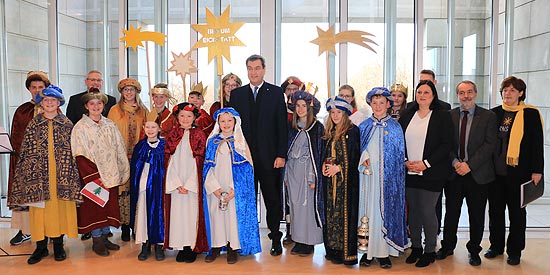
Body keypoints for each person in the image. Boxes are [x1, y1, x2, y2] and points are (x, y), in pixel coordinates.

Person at [8, 85, 81, 265]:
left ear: (58, 103)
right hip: (38, 177)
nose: (49, 103)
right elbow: (26, 150)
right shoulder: (34, 124)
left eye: (53, 101)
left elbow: (73, 151)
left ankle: (58, 245)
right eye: (46, 100)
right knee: (39, 212)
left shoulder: (66, 124)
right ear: (41, 104)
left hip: (60, 177)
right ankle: (40, 246)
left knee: (59, 211)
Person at [229, 54, 288, 256]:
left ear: (264, 70)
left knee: (272, 200)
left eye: (257, 68)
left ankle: (275, 237)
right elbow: (233, 128)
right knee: (247, 200)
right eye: (250, 68)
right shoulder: (237, 95)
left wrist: (281, 154)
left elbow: (282, 126)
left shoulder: (276, 93)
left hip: (271, 159)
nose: (253, 72)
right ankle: (246, 239)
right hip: (244, 159)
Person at [435, 80, 497, 266]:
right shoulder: (449, 115)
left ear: (475, 93)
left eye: (469, 92)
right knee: (451, 213)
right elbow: (446, 143)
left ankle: (474, 250)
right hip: (454, 174)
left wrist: (469, 165)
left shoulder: (488, 116)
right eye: (462, 93)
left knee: (476, 215)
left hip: (478, 174)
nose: (466, 96)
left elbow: (489, 145)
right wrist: (455, 162)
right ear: (458, 95)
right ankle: (447, 247)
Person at [485, 76, 544, 266]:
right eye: (505, 90)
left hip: (520, 174)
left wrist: (537, 170)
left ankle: (515, 251)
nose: (507, 94)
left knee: (517, 214)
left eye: (512, 90)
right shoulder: (494, 113)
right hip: (495, 173)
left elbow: (537, 145)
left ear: (521, 93)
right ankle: (496, 246)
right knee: (495, 212)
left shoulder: (531, 114)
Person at [398, 80, 453, 268]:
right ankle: (416, 247)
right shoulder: (407, 114)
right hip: (409, 171)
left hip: (432, 172)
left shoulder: (442, 116)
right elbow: (399, 141)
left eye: (426, 92)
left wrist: (425, 164)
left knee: (427, 211)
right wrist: (406, 161)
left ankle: (429, 250)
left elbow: (446, 145)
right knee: (412, 212)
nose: (422, 95)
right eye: (419, 92)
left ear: (433, 95)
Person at [71, 91, 130, 257]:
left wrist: (121, 167)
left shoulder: (109, 124)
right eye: (92, 104)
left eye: (99, 103)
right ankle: (96, 240)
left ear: (103, 106)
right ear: (86, 106)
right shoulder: (80, 127)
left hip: (110, 174)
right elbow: (79, 153)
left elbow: (119, 147)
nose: (96, 107)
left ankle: (105, 236)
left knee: (108, 206)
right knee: (95, 208)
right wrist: (93, 176)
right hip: (92, 176)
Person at [357, 87, 409, 269]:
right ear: (370, 104)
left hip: (388, 182)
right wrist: (363, 158)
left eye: (382, 103)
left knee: (385, 214)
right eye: (375, 102)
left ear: (388, 104)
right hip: (368, 180)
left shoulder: (395, 127)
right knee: (368, 214)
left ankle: (384, 253)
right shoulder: (363, 126)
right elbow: (358, 151)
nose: (378, 106)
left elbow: (398, 156)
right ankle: (367, 251)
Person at [203, 107, 261, 264]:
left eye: (229, 121)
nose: (226, 124)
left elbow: (247, 168)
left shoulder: (240, 142)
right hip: (216, 188)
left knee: (232, 217)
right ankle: (216, 245)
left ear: (235, 122)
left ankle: (232, 247)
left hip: (233, 189)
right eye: (223, 121)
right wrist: (214, 188)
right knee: (216, 216)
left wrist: (233, 190)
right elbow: (207, 167)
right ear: (218, 123)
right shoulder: (212, 141)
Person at [8, 71, 50, 246]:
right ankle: (25, 231)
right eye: (34, 87)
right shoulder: (22, 110)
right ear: (29, 89)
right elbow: (16, 136)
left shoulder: (52, 108)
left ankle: (48, 230)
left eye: (41, 87)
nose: (37, 90)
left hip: (47, 162)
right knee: (26, 197)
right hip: (27, 162)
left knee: (46, 198)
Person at [164, 102, 208, 263]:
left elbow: (200, 160)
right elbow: (169, 160)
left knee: (191, 214)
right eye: (182, 115)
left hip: (192, 183)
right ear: (177, 117)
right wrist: (176, 182)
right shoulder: (172, 134)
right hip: (176, 182)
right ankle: (181, 245)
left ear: (195, 117)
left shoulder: (200, 135)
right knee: (178, 214)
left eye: (189, 116)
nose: (185, 119)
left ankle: (191, 246)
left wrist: (189, 183)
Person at [108, 78, 148, 242]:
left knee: (137, 190)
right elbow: (110, 132)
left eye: (132, 90)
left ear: (136, 92)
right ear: (122, 93)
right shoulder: (115, 110)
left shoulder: (142, 110)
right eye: (126, 90)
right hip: (121, 156)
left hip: (138, 157)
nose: (129, 93)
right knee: (122, 192)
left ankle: (136, 225)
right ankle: (124, 225)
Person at [322, 96, 360, 266]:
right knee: (331, 216)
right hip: (331, 184)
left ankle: (345, 252)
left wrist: (340, 168)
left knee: (344, 216)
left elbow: (355, 157)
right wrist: (324, 165)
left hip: (345, 184)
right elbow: (325, 154)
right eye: (332, 113)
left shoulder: (352, 132)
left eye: (338, 112)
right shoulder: (329, 132)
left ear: (345, 113)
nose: (335, 116)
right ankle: (332, 249)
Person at [284, 91, 324, 256]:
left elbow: (318, 155)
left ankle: (309, 242)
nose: (300, 109)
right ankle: (299, 239)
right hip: (293, 172)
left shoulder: (317, 128)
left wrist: (312, 176)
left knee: (307, 207)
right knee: (294, 206)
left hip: (308, 172)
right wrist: (285, 175)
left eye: (304, 106)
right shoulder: (292, 128)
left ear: (310, 107)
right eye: (298, 106)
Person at [129, 114, 166, 261]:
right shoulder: (140, 146)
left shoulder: (164, 145)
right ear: (144, 128)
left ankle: (158, 244)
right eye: (148, 127)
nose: (150, 130)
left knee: (158, 214)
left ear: (159, 129)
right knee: (143, 214)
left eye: (153, 127)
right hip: (144, 186)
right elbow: (136, 167)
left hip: (159, 186)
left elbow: (167, 165)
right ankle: (145, 244)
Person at [280, 76, 305, 245]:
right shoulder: (281, 111)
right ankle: (289, 230)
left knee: (300, 197)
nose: (291, 93)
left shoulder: (304, 114)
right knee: (287, 198)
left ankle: (302, 230)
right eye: (288, 90)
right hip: (285, 162)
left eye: (294, 90)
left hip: (301, 164)